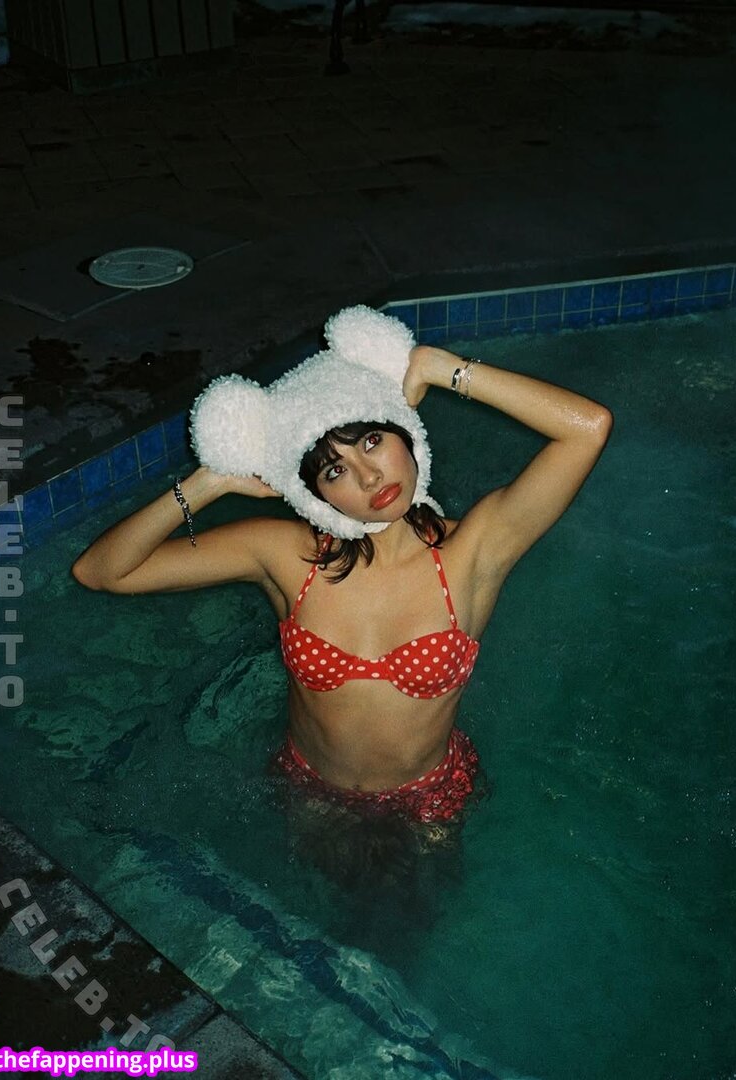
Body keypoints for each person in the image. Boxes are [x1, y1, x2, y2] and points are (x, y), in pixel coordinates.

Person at [72, 305, 611, 886]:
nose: (370, 476)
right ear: (313, 494)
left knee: (425, 907)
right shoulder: (287, 556)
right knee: (327, 905)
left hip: (430, 794)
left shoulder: (474, 551)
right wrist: (209, 482)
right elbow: (103, 572)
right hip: (312, 790)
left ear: (406, 431)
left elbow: (588, 427)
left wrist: (443, 368)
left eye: (373, 440)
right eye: (334, 470)